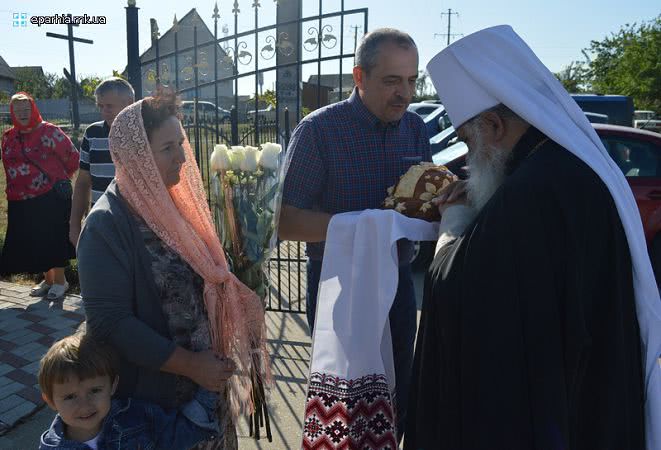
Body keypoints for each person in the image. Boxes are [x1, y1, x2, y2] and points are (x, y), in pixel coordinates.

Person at [405, 25, 661, 449]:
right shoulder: (567, 170)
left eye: (470, 141)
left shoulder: (532, 193)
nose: (469, 159)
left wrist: (454, 219)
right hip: (588, 397)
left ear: (494, 125)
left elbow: (455, 291)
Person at [77, 89, 269, 450]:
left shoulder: (175, 202)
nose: (182, 157)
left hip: (205, 395)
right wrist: (192, 365)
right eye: (168, 148)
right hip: (156, 409)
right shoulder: (106, 224)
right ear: (135, 157)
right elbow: (110, 322)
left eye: (181, 144)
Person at [279, 28, 430, 438]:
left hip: (398, 285)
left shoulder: (416, 128)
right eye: (392, 81)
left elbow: (423, 202)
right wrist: (364, 224)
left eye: (412, 80)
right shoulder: (318, 132)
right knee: (345, 408)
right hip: (338, 288)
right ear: (359, 77)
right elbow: (284, 220)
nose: (405, 93)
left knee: (397, 397)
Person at [38, 332, 221, 449]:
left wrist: (211, 388)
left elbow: (179, 434)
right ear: (51, 401)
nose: (85, 404)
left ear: (113, 386)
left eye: (94, 390)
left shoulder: (136, 416)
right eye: (70, 396)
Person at [0, 92, 79, 300]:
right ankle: (49, 279)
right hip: (19, 198)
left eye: (26, 109)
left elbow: (72, 157)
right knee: (36, 239)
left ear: (33, 108)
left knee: (53, 237)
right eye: (18, 111)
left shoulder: (49, 132)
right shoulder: (8, 137)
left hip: (50, 195)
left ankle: (61, 281)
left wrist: (59, 178)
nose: (23, 113)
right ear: (12, 113)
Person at [69, 77, 134, 248]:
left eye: (109, 106)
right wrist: (74, 225)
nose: (104, 111)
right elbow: (83, 182)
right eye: (101, 106)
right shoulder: (92, 133)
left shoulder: (145, 133)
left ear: (129, 102)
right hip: (100, 222)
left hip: (137, 224)